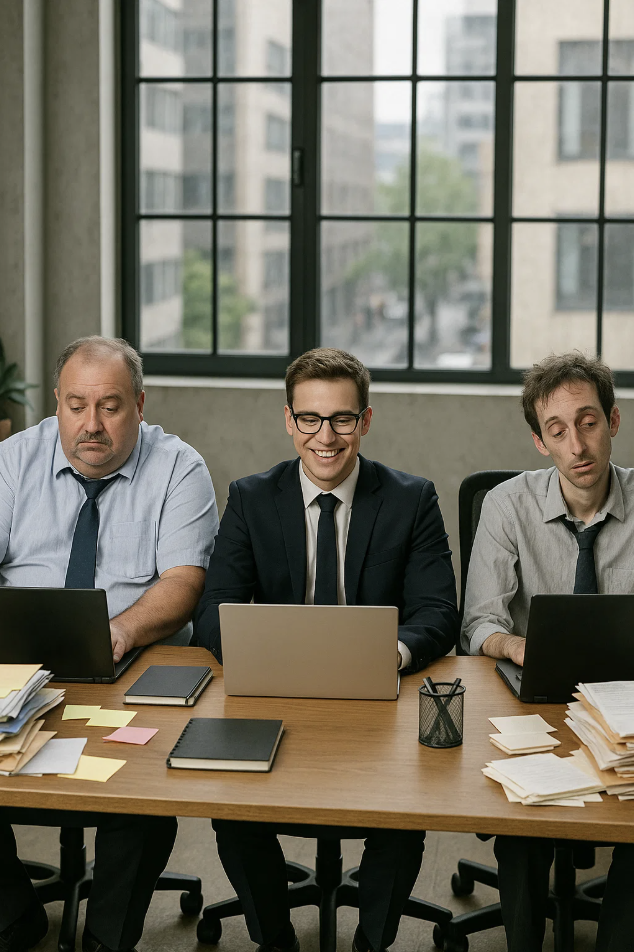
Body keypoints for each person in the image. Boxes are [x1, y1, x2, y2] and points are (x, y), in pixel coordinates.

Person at [195, 347, 458, 952]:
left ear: (365, 421)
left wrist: (388, 653)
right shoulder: (252, 497)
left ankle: (372, 942)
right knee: (230, 801)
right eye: (310, 419)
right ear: (289, 421)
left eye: (342, 419)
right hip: (272, 695)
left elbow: (439, 612)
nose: (326, 436)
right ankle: (275, 940)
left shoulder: (411, 498)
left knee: (406, 805)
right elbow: (212, 610)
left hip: (378, 700)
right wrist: (260, 650)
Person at [0, 336, 219, 952]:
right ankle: (12, 915)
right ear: (58, 403)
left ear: (140, 405)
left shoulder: (179, 466)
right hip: (19, 663)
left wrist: (118, 631)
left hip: (138, 664)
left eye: (110, 406)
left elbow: (184, 583)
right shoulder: (15, 459)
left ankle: (106, 937)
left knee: (143, 790)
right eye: (76, 405)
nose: (90, 425)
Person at [461, 351, 634, 952]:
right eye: (557, 431)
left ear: (613, 421)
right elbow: (478, 622)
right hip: (535, 700)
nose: (577, 445)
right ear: (540, 442)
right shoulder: (507, 504)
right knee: (523, 818)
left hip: (629, 710)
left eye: (588, 423)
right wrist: (516, 644)